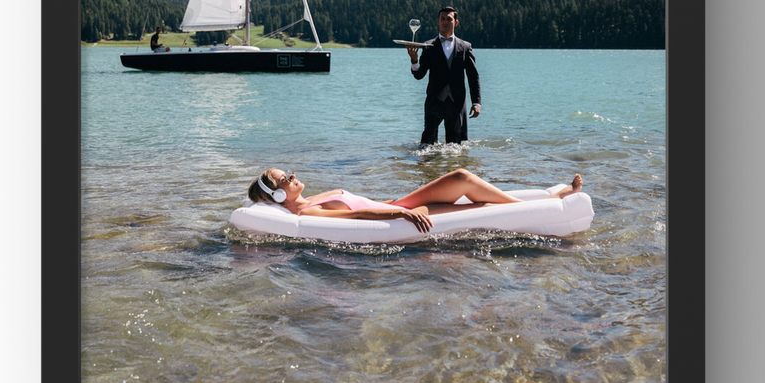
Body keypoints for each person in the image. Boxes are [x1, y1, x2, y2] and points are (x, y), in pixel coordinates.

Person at [247, 166, 582, 234]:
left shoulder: (310, 198)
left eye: (288, 172)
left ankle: (551, 197)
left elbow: (362, 202)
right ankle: (551, 201)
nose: (292, 175)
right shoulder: (310, 212)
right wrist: (402, 216)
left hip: (399, 202)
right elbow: (356, 216)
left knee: (466, 188)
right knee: (463, 181)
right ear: (278, 195)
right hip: (402, 211)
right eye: (284, 178)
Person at [406, 6, 480, 145]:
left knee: (456, 146)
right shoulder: (428, 46)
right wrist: (414, 60)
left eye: (449, 19)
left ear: (455, 22)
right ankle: (427, 166)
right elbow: (419, 75)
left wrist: (476, 102)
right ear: (438, 21)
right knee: (427, 144)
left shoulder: (465, 47)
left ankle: (453, 167)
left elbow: (473, 76)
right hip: (435, 101)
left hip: (457, 102)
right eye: (442, 19)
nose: (445, 21)